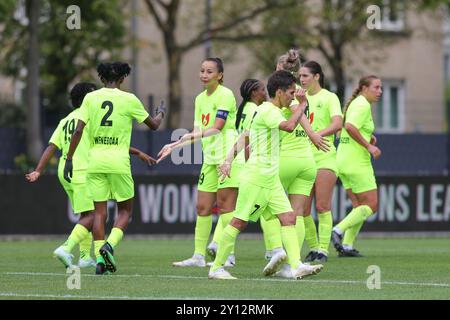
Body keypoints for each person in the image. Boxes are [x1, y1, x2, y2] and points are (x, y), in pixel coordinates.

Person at [25, 82, 156, 269]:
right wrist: (137, 153)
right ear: (88, 97)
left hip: (65, 170)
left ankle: (86, 257)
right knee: (95, 215)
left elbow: (51, 146)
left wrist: (39, 170)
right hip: (83, 168)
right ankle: (68, 248)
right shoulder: (89, 117)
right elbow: (107, 142)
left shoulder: (66, 120)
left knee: (86, 213)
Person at [209, 70, 323, 280]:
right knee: (238, 223)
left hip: (270, 177)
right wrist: (303, 105)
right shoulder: (269, 111)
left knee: (288, 218)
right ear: (279, 92)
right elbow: (289, 127)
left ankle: (295, 265)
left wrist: (228, 160)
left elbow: (246, 136)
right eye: (290, 92)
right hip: (257, 176)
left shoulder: (267, 111)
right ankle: (216, 268)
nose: (292, 96)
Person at [63, 62, 164, 275]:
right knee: (125, 210)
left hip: (95, 162)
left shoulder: (90, 98)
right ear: (122, 79)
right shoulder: (129, 99)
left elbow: (78, 131)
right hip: (118, 162)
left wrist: (70, 158)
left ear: (101, 79)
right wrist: (160, 113)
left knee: (99, 213)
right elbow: (154, 126)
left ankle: (100, 259)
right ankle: (109, 246)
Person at [157, 58, 239, 268]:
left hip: (226, 158)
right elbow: (196, 133)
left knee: (225, 206)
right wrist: (173, 145)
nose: (204, 74)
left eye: (209, 71)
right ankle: (198, 256)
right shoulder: (199, 99)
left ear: (219, 75)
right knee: (202, 207)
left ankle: (228, 254)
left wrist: (184, 139)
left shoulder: (225, 94)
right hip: (209, 159)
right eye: (202, 70)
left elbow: (217, 127)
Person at [259, 50, 328, 270]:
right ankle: (293, 264)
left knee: (267, 208)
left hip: (284, 160)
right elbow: (303, 114)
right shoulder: (298, 91)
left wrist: (313, 134)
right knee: (297, 214)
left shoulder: (285, 94)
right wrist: (313, 136)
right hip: (307, 161)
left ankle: (276, 250)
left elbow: (295, 112)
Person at [206, 79, 266, 265]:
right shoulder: (254, 110)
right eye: (263, 90)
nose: (266, 93)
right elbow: (248, 138)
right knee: (245, 209)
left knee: (228, 207)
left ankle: (219, 245)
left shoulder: (244, 109)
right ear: (254, 93)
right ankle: (229, 252)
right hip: (244, 162)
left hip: (234, 159)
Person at [331, 75, 382, 257]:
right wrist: (368, 146)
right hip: (356, 162)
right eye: (376, 87)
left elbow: (349, 128)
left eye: (380, 88)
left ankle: (347, 246)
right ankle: (337, 230)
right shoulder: (362, 105)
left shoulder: (356, 103)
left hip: (343, 160)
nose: (380, 91)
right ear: (364, 88)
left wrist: (368, 136)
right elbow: (351, 127)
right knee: (372, 205)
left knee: (358, 205)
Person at [299, 61, 343, 264]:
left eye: (306, 76)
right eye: (300, 76)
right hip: (304, 159)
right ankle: (314, 247)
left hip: (325, 156)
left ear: (317, 76)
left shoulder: (329, 97)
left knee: (323, 206)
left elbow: (337, 123)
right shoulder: (299, 98)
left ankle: (324, 251)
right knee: (304, 209)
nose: (301, 79)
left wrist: (316, 135)